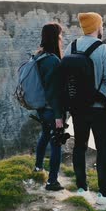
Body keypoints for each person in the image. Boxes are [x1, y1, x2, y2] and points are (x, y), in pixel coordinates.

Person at [64, 12, 106, 204]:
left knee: (79, 147)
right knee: (103, 150)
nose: (102, 28)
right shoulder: (104, 50)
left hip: (77, 108)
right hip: (100, 109)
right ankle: (104, 194)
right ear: (97, 27)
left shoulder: (72, 47)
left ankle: (82, 190)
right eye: (101, 25)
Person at [34, 22, 66, 191]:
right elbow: (54, 92)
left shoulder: (39, 56)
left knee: (45, 135)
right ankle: (52, 181)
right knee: (56, 143)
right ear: (55, 37)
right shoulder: (53, 61)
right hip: (51, 110)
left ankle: (38, 167)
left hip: (40, 107)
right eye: (60, 35)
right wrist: (58, 115)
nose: (61, 38)